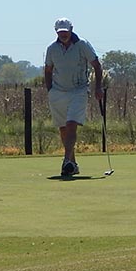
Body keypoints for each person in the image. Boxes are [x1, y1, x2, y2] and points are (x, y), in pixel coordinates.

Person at [43, 17, 104, 176]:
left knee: (71, 124)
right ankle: (73, 163)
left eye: (65, 31)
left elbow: (97, 66)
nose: (63, 35)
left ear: (71, 29)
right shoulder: (52, 48)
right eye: (60, 32)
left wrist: (98, 87)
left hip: (79, 90)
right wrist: (50, 90)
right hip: (58, 92)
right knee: (63, 128)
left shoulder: (82, 44)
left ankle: (66, 161)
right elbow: (48, 70)